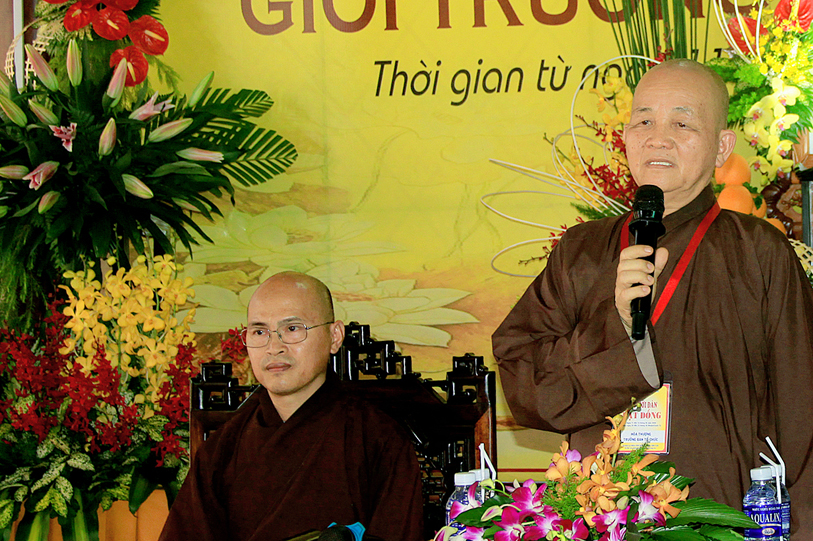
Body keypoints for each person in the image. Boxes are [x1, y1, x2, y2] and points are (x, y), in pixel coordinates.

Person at [492, 59, 813, 535]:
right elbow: (523, 378)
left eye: (682, 124)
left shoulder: (758, 252)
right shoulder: (582, 251)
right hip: (597, 519)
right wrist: (616, 328)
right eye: (643, 121)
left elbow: (803, 410)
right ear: (625, 137)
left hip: (723, 519)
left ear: (722, 146)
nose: (657, 138)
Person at [160, 272, 424, 541]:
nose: (274, 347)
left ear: (334, 336)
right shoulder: (221, 450)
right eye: (260, 332)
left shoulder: (379, 441)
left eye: (293, 329)